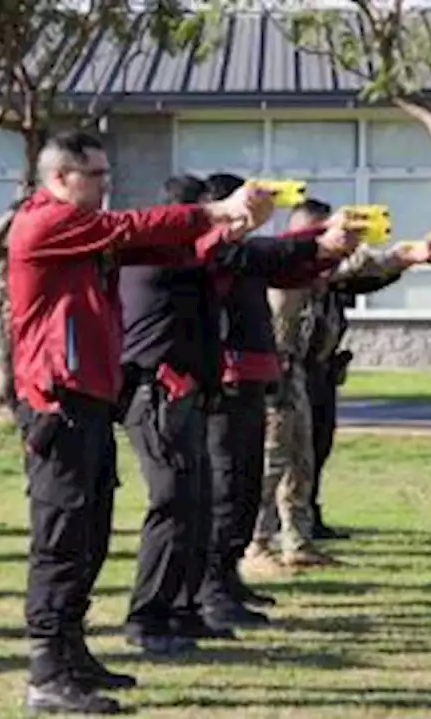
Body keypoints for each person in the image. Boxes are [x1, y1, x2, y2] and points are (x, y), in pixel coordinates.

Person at [9, 130, 273, 715]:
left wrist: (225, 229)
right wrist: (212, 210)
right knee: (60, 540)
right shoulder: (45, 223)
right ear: (60, 179)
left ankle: (71, 655)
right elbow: (131, 230)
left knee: (89, 535)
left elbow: (159, 248)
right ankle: (47, 672)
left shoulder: (80, 231)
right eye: (96, 175)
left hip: (90, 403)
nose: (107, 185)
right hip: (57, 404)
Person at [119, 175, 358, 654]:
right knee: (180, 505)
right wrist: (316, 239)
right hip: (163, 393)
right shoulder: (161, 251)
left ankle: (184, 608)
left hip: (192, 391)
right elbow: (251, 253)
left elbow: (261, 254)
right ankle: (153, 617)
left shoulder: (194, 255)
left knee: (203, 501)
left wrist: (321, 241)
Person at [247, 199, 431, 574]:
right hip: (273, 376)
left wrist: (411, 254)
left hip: (301, 376)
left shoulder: (324, 268)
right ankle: (255, 544)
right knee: (270, 462)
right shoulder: (283, 263)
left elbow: (367, 265)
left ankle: (298, 543)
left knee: (302, 461)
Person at [195, 173, 347, 629]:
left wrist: (333, 247)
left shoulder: (252, 256)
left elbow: (294, 263)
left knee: (246, 484)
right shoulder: (217, 251)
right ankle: (217, 584)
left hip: (264, 376)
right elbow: (276, 254)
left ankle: (231, 577)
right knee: (232, 485)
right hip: (229, 380)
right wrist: (318, 240)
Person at [304, 262, 404, 540]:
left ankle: (310, 513)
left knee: (320, 446)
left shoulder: (333, 288)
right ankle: (291, 520)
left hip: (324, 375)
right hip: (301, 377)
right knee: (301, 451)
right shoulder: (297, 286)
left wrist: (403, 262)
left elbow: (366, 281)